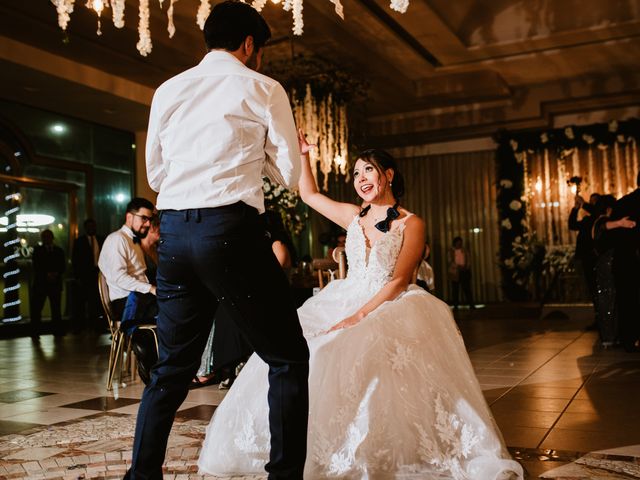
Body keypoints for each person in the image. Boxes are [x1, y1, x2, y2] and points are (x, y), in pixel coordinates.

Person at [198, 142, 523, 479]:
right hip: (342, 295)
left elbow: (398, 280)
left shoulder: (411, 223)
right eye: (356, 173)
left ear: (389, 175)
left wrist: (361, 315)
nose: (361, 178)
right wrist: (306, 155)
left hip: (390, 301)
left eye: (368, 169)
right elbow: (309, 195)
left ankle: (363, 444)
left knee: (355, 343)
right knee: (296, 345)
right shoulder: (353, 216)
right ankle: (293, 441)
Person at [127, 2, 310, 479]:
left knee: (170, 370)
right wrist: (268, 161)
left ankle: (141, 475)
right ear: (250, 45)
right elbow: (289, 174)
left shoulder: (168, 89)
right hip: (229, 230)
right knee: (287, 357)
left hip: (174, 234)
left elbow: (156, 172)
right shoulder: (262, 87)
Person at [98, 198, 159, 383]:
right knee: (177, 310)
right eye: (144, 218)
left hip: (140, 299)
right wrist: (151, 289)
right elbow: (118, 278)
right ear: (129, 217)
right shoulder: (116, 240)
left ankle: (156, 359)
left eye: (149, 220)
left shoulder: (134, 242)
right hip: (125, 303)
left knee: (179, 306)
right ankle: (152, 359)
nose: (148, 224)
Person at [591, 195, 635, 347]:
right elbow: (604, 227)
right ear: (609, 208)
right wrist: (620, 223)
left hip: (605, 264)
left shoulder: (597, 221)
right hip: (606, 265)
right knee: (608, 299)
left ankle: (611, 336)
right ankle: (609, 337)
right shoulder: (601, 221)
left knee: (608, 298)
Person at [611, 172, 640, 352]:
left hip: (625, 261)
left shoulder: (623, 202)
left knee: (628, 300)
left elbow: (611, 235)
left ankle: (630, 339)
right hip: (630, 259)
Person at [569, 192, 600, 323]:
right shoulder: (587, 220)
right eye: (590, 201)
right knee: (591, 290)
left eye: (594, 202)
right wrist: (576, 208)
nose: (591, 204)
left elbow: (597, 212)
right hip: (585, 258)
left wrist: (584, 203)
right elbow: (572, 225)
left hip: (596, 258)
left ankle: (602, 319)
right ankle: (598, 318)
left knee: (597, 288)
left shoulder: (599, 218)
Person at [30, 229, 66, 338]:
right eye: (44, 237)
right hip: (42, 284)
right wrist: (49, 274)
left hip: (53, 283)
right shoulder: (37, 250)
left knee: (56, 309)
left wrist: (55, 274)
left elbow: (63, 266)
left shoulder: (59, 251)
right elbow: (36, 266)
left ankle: (57, 330)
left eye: (48, 237)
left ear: (52, 238)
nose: (46, 239)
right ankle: (35, 332)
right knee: (37, 309)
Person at [71, 218, 103, 333]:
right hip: (85, 275)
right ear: (85, 228)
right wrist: (77, 277)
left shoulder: (101, 239)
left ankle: (97, 327)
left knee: (97, 302)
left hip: (98, 274)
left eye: (93, 226)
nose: (91, 228)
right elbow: (75, 260)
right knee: (82, 302)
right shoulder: (79, 241)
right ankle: (80, 327)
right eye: (89, 226)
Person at [448, 236, 475, 309]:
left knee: (467, 288)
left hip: (464, 271)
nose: (459, 244)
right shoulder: (451, 251)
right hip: (455, 272)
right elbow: (450, 261)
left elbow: (468, 260)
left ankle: (471, 304)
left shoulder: (465, 251)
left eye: (460, 243)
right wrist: (457, 266)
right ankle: (456, 305)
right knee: (455, 289)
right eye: (458, 243)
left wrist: (466, 267)